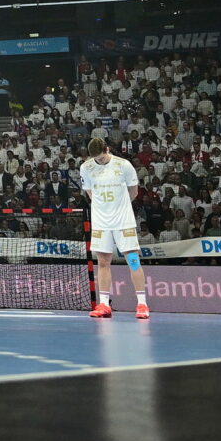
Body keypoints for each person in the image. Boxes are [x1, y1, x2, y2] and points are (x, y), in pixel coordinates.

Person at [79, 135, 149, 320]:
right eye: (96, 159)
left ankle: (142, 304)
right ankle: (103, 304)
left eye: (101, 157)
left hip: (123, 220)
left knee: (133, 260)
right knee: (102, 262)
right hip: (101, 221)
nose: (99, 161)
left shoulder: (124, 165)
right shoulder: (86, 167)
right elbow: (90, 193)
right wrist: (104, 209)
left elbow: (133, 192)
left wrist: (120, 207)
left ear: (107, 150)